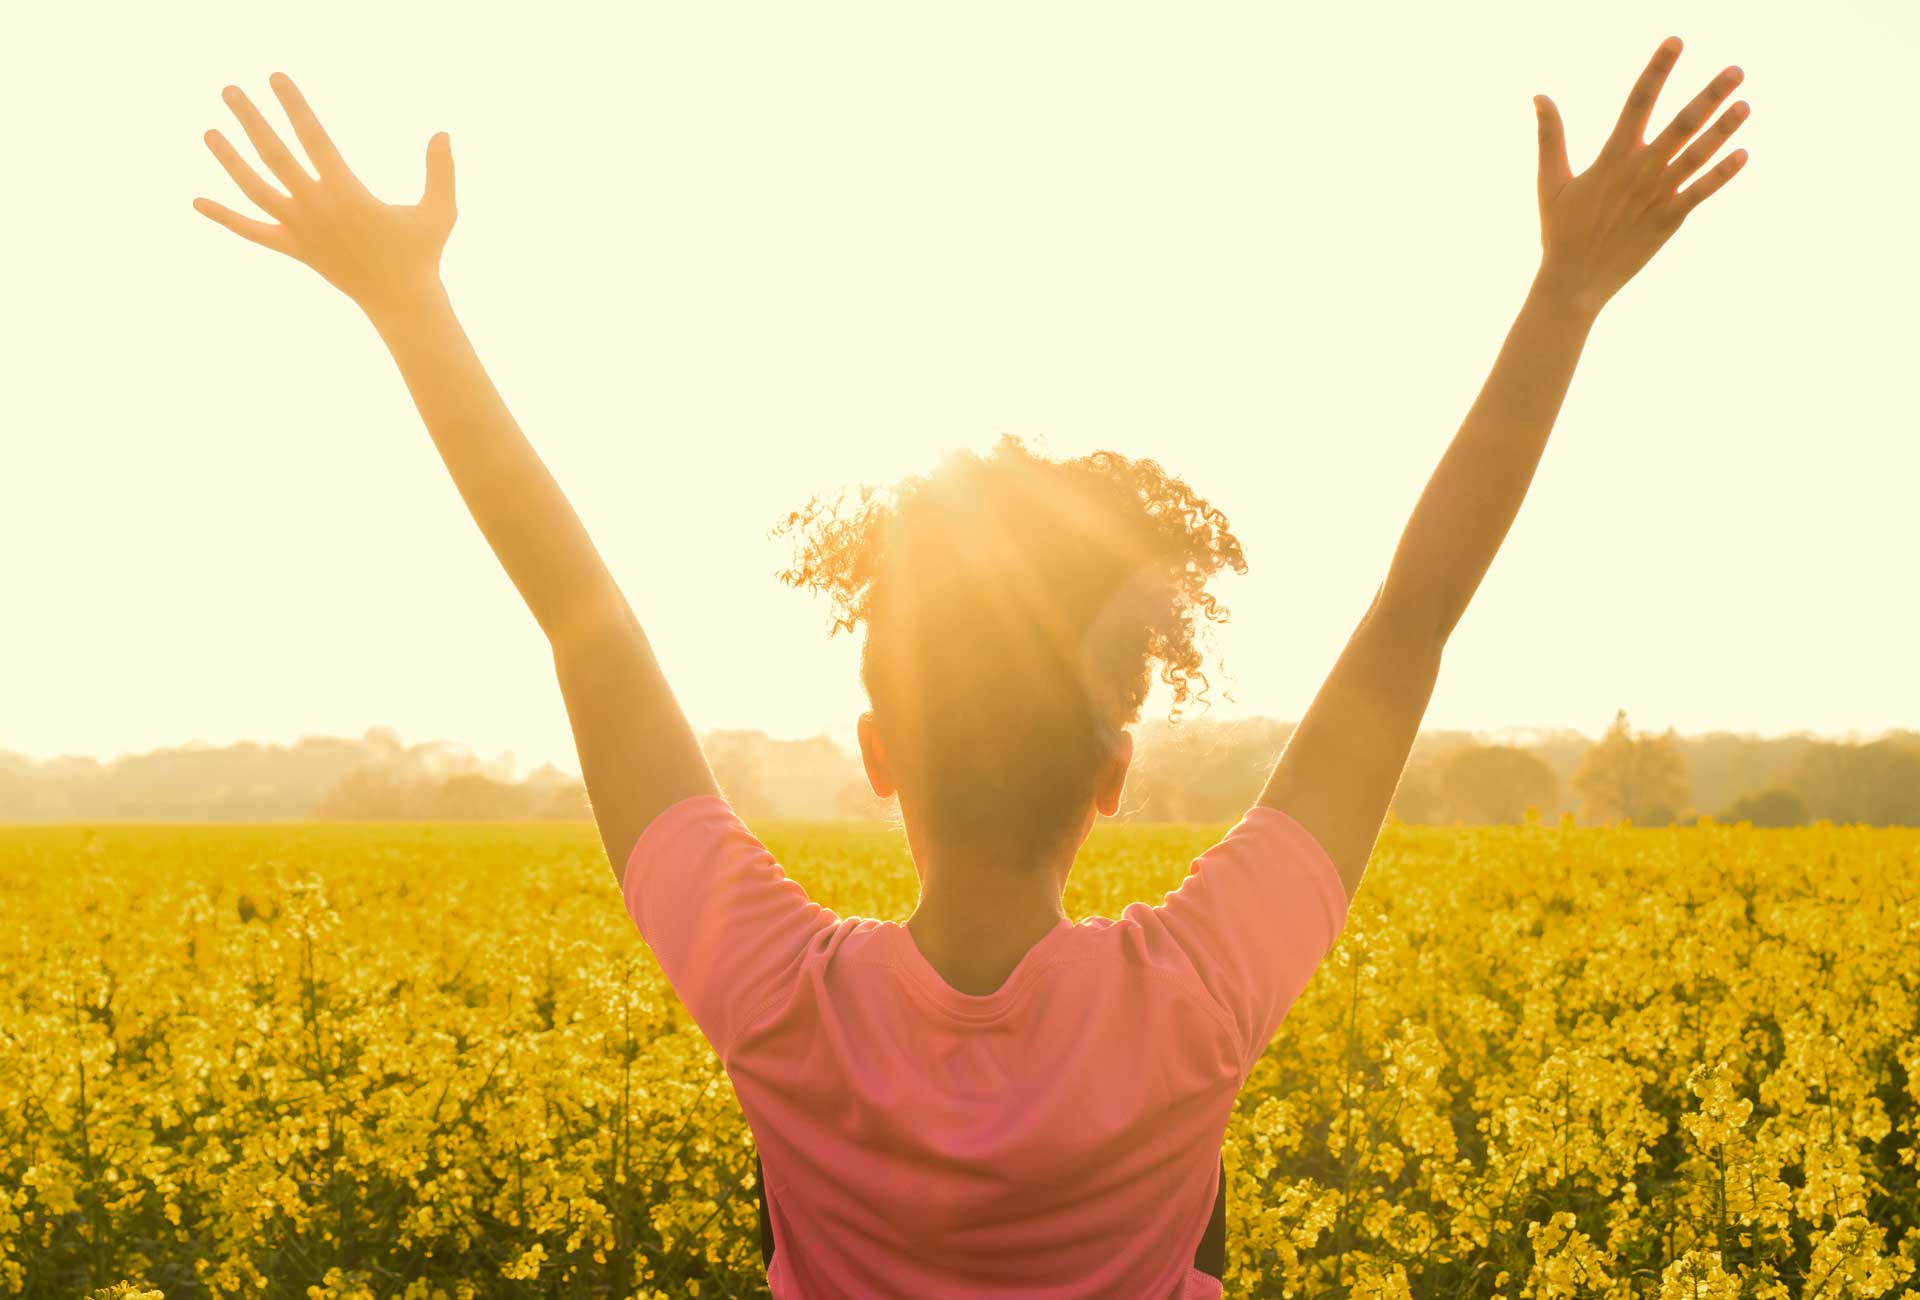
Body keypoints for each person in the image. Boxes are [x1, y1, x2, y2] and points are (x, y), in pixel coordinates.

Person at [193, 36, 1749, 1299]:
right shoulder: (1192, 1000)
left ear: (877, 754)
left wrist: (409, 304)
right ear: (1115, 772)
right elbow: (1409, 624)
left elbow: (577, 610)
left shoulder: (781, 1003)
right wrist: (1564, 296)